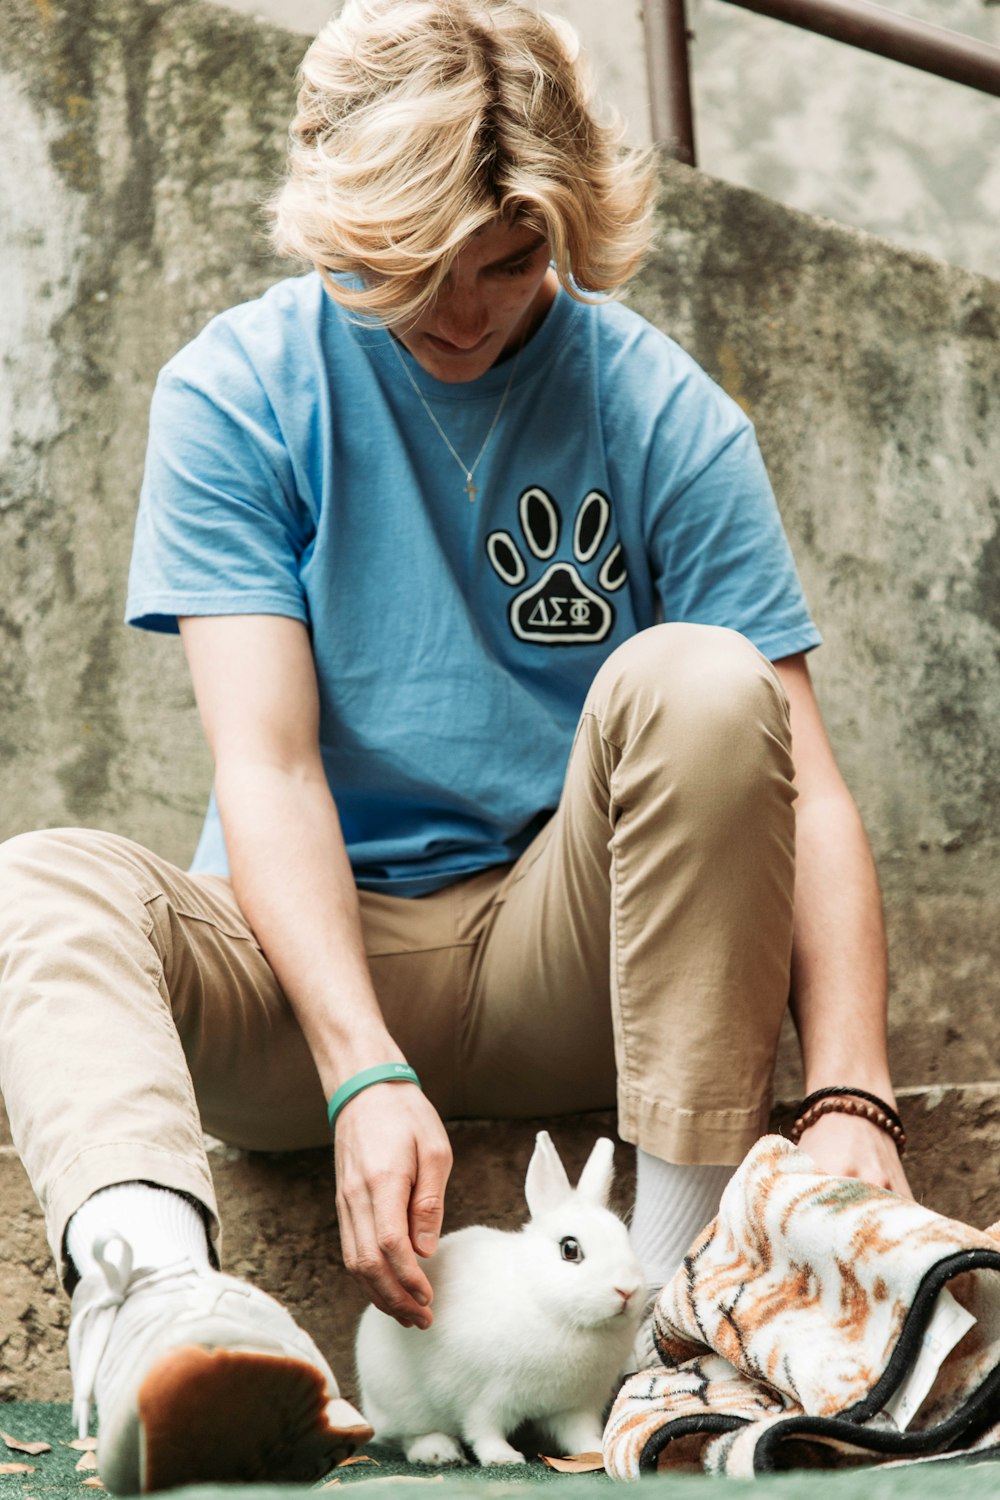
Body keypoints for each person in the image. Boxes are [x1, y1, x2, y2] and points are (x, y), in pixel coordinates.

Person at [0, 0, 910, 1490]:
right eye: (416, 265)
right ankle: (160, 1300)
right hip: (305, 974)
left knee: (707, 677)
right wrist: (364, 1076)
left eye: (513, 259)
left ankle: (673, 1320)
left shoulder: (660, 406)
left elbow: (800, 775)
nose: (469, 308)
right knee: (36, 879)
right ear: (327, 211)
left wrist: (854, 1095)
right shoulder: (234, 393)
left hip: (570, 955)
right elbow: (271, 768)